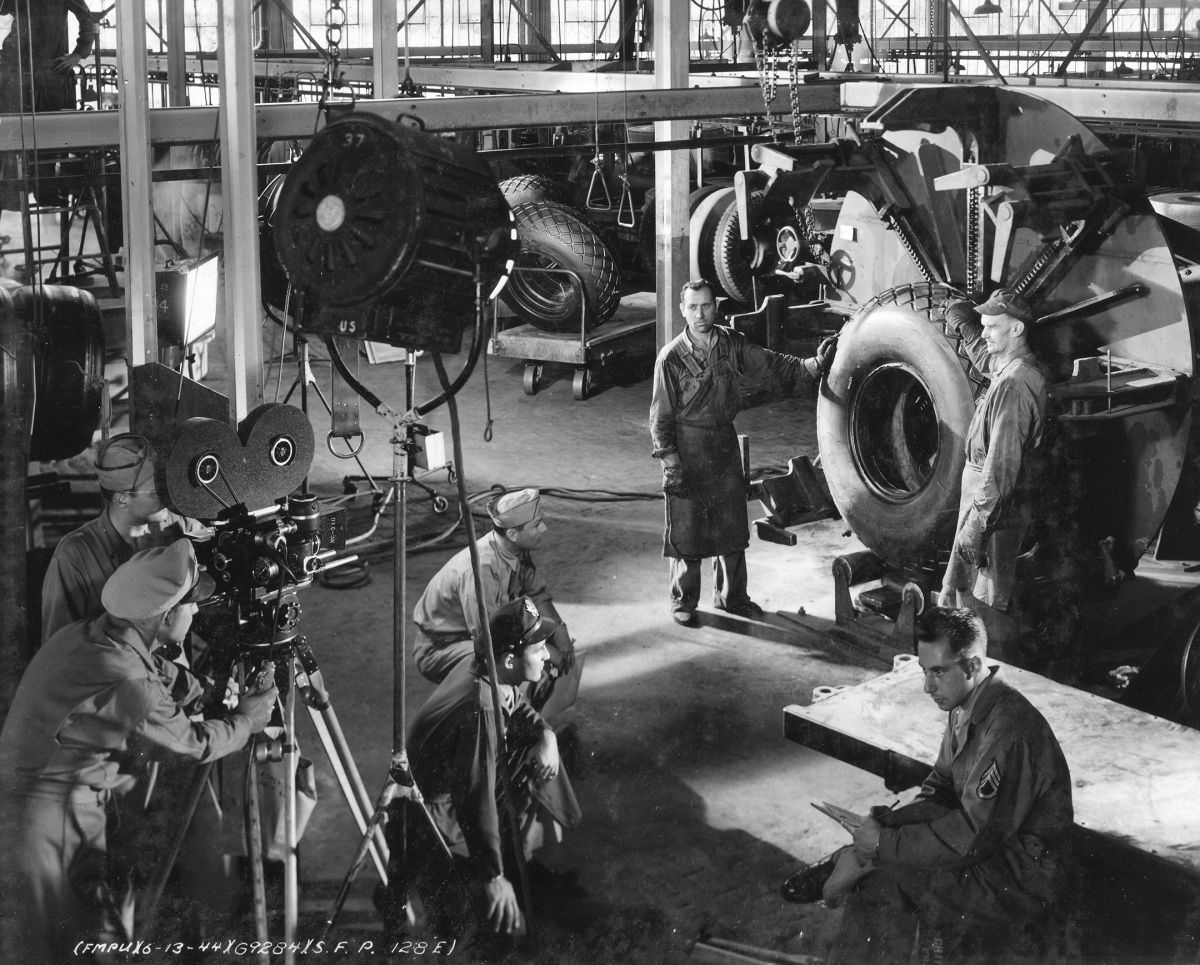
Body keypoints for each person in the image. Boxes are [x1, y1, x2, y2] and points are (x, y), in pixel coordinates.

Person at [0, 538, 277, 963]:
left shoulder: (92, 633)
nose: (197, 611)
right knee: (85, 942)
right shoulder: (130, 680)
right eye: (190, 606)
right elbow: (194, 744)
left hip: (44, 795)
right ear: (166, 617)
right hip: (47, 817)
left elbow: (156, 670)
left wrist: (201, 692)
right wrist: (248, 719)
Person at [786, 607, 1074, 964]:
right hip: (991, 851)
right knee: (883, 853)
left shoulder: (1006, 733)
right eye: (925, 671)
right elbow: (941, 784)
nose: (927, 686)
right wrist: (887, 828)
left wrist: (884, 845)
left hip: (1019, 876)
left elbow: (973, 834)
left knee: (883, 881)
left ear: (971, 666)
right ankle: (854, 860)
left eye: (938, 672)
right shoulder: (965, 703)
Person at [649, 278, 836, 626]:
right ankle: (684, 601)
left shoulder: (731, 344)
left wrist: (811, 365)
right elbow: (660, 417)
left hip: (722, 445)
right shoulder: (671, 358)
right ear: (682, 310)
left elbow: (769, 363)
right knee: (687, 533)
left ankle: (732, 598)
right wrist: (671, 463)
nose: (700, 313)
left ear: (715, 306)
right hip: (688, 449)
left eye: (706, 305)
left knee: (731, 529)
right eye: (693, 307)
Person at [407, 596, 583, 942]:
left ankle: (520, 862)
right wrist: (493, 876)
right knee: (503, 928)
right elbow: (475, 794)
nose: (547, 655)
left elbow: (516, 705)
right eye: (538, 650)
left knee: (546, 747)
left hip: (450, 785)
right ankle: (501, 874)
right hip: (431, 811)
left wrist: (546, 735)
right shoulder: (481, 707)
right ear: (509, 659)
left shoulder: (485, 666)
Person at [938, 288, 1048, 663]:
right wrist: (964, 325)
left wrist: (976, 526)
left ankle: (992, 675)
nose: (984, 333)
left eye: (992, 327)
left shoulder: (1016, 385)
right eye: (982, 326)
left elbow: (1000, 468)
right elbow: (987, 361)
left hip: (992, 508)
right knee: (968, 591)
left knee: (985, 599)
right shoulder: (1012, 369)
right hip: (984, 501)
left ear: (1016, 329)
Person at [412, 488, 575, 710]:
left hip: (471, 636)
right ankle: (501, 725)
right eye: (536, 525)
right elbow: (490, 642)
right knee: (509, 663)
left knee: (537, 655)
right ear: (513, 534)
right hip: (440, 647)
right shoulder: (482, 570)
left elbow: (537, 594)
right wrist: (547, 655)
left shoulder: (514, 549)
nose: (543, 529)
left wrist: (562, 640)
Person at [41, 432, 190, 646]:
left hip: (168, 667)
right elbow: (58, 649)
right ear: (122, 498)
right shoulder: (75, 556)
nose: (168, 495)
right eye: (156, 491)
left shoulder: (174, 526)